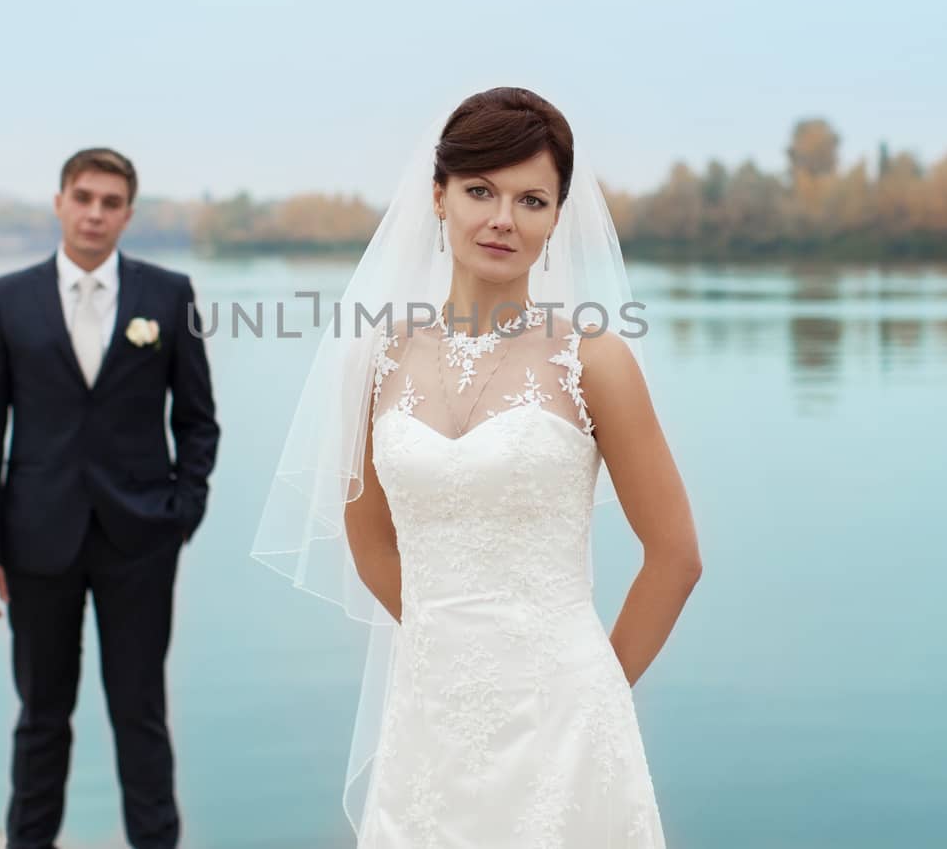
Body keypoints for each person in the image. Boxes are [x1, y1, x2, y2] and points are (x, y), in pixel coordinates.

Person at [252, 88, 702, 845]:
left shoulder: (594, 359)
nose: (503, 218)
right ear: (438, 196)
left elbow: (676, 555)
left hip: (568, 718)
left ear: (558, 217)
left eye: (531, 199)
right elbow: (370, 544)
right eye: (480, 190)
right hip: (429, 720)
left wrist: (596, 692)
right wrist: (450, 644)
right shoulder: (377, 358)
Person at [0, 147, 219, 849]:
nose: (95, 212)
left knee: (141, 715)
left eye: (110, 202)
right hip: (36, 540)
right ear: (59, 202)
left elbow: (198, 421)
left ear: (128, 214)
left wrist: (181, 513)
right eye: (84, 197)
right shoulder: (7, 299)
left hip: (141, 541)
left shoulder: (169, 295)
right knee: (42, 716)